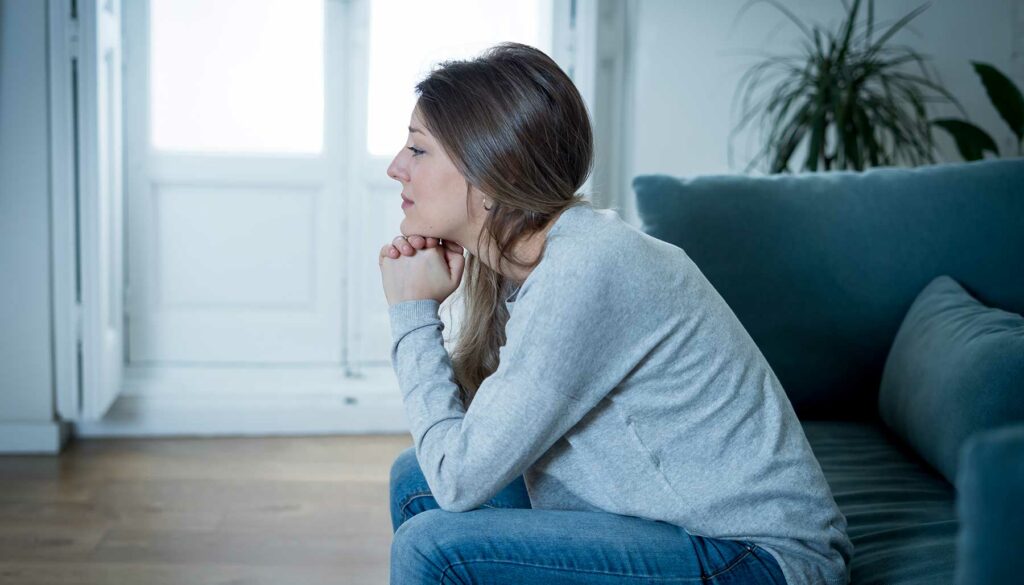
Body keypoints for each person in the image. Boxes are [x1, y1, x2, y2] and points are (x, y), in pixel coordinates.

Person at [378, 42, 853, 585]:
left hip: (757, 558)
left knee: (435, 549)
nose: (396, 168)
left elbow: (459, 477)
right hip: (675, 525)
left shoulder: (586, 269)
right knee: (414, 479)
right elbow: (473, 449)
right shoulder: (538, 262)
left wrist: (414, 314)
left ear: (491, 171)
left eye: (417, 150)